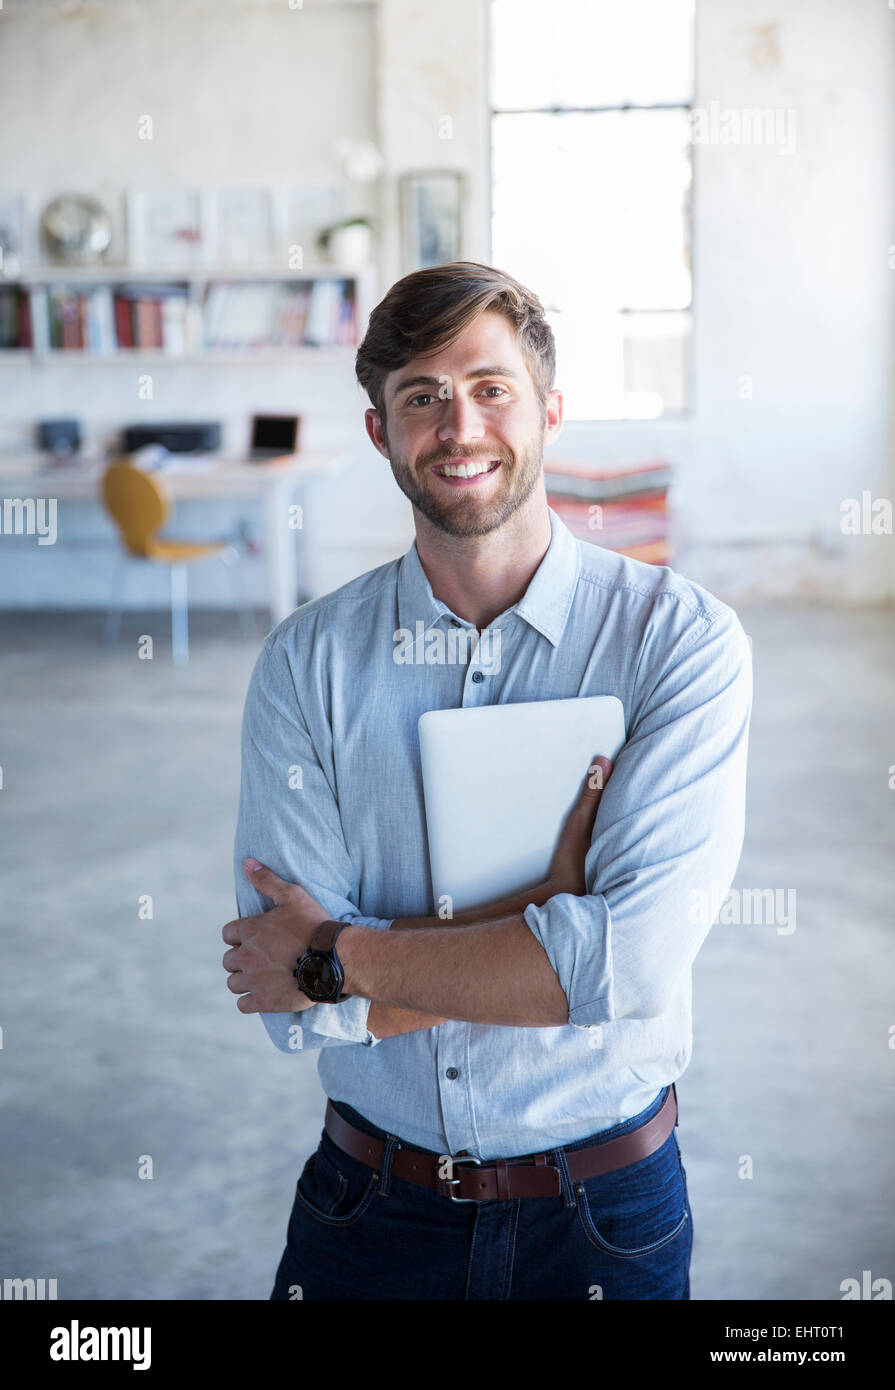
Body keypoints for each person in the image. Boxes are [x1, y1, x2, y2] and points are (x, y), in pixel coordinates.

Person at [223, 261, 752, 1300]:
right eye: (420, 397)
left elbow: (629, 968)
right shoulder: (306, 662)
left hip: (603, 1214)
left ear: (549, 411)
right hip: (367, 1209)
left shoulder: (678, 644)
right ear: (381, 432)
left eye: (490, 388)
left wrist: (339, 959)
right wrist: (549, 919)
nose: (458, 426)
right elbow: (290, 1004)